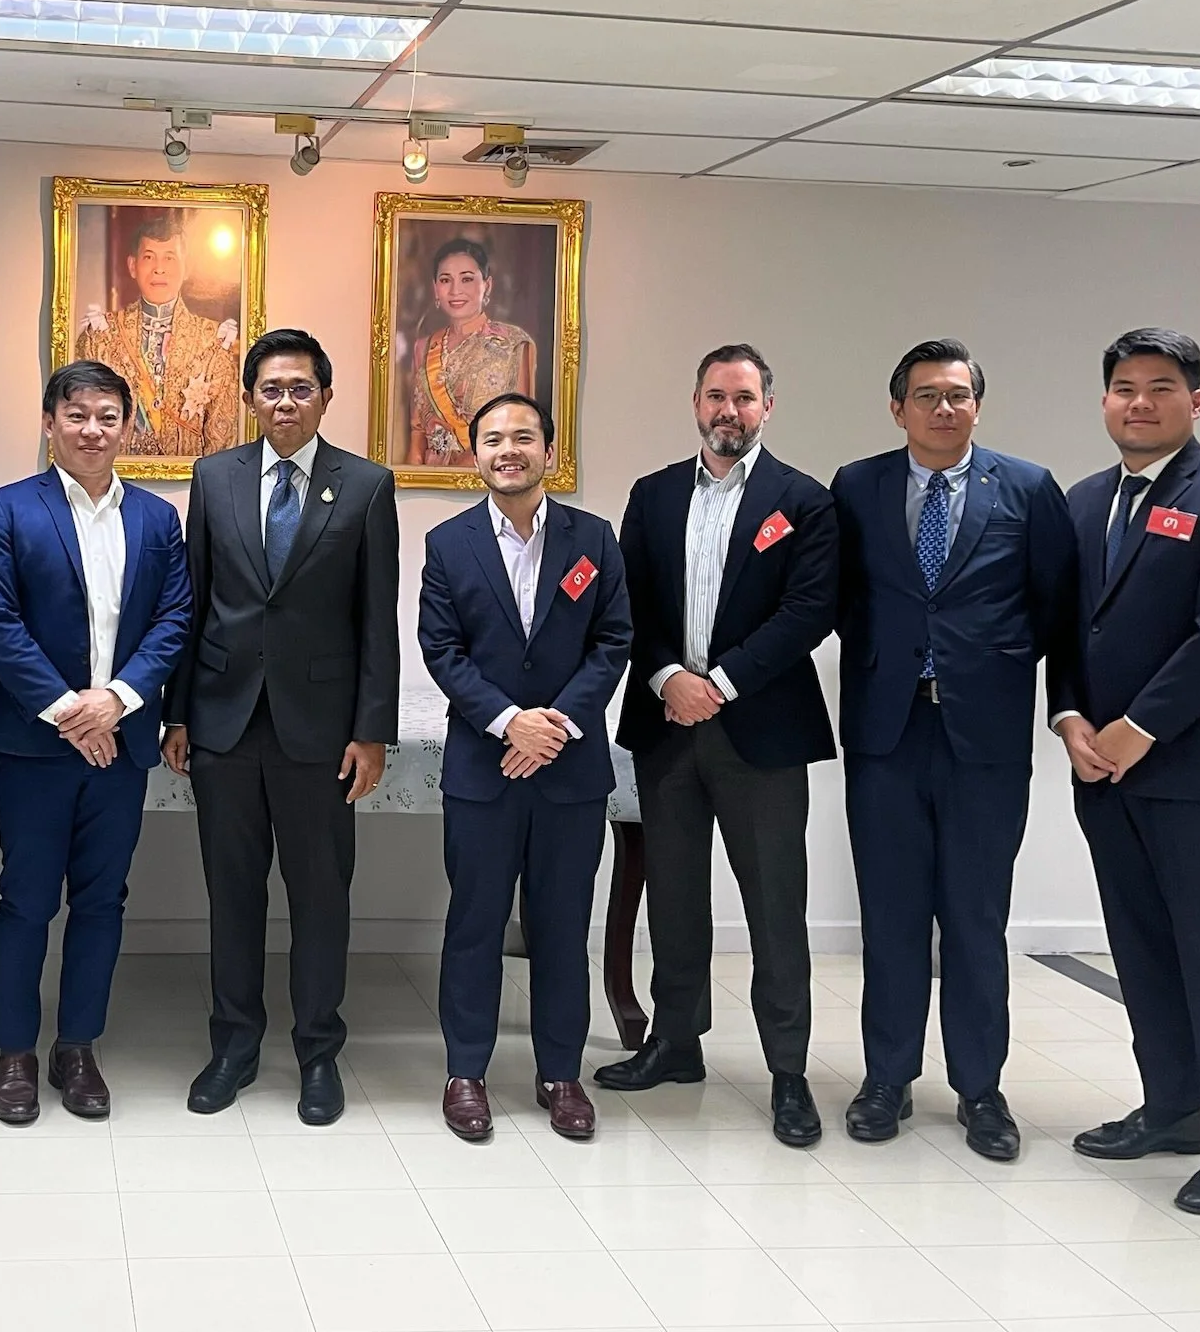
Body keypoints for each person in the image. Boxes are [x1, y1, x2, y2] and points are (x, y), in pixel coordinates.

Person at [1050, 329, 1200, 1215]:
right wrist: (1071, 718)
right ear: (1105, 400)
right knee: (1143, 946)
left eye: (1160, 387)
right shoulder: (1084, 502)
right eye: (1124, 386)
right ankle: (1172, 1108)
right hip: (1104, 772)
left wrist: (1139, 728)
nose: (1140, 402)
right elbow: (1065, 627)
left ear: (1195, 402)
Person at [832, 339, 1073, 1159]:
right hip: (886, 731)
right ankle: (886, 1078)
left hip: (986, 737)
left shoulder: (1029, 488)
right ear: (897, 407)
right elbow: (841, 596)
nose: (944, 407)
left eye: (958, 394)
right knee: (891, 914)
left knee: (976, 917)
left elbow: (1053, 606)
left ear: (978, 405)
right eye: (928, 394)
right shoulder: (857, 485)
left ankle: (980, 1088)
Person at [600, 344, 839, 1148]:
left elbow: (809, 610)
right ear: (695, 403)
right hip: (666, 726)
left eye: (742, 396)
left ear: (767, 404)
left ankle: (788, 1071)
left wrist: (722, 683)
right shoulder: (654, 494)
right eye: (714, 396)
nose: (727, 410)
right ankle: (676, 1042)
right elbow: (629, 601)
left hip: (760, 733)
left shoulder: (802, 500)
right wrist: (669, 675)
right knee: (672, 894)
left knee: (775, 904)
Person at [163, 329, 398, 1126]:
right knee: (232, 894)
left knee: (320, 898)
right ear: (250, 398)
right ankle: (233, 1044)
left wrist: (372, 730)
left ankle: (318, 1052)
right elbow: (194, 600)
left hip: (322, 731)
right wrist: (178, 711)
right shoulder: (214, 476)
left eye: (300, 387)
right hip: (224, 723)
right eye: (271, 388)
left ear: (326, 396)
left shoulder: (366, 485)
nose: (285, 401)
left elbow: (377, 618)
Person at [0, 360, 192, 1125]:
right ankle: (15, 1051)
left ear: (127, 426)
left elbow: (174, 618)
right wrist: (71, 711)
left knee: (101, 900)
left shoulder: (157, 519)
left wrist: (116, 700)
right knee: (26, 898)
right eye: (77, 414)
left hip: (120, 745)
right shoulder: (7, 509)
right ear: (49, 422)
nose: (92, 429)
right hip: (35, 748)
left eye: (107, 416)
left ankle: (78, 1046)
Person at [418, 393, 631, 1142]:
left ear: (549, 449)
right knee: (474, 923)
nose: (508, 449)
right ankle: (466, 1072)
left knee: (563, 925)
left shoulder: (593, 538)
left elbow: (613, 641)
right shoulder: (449, 544)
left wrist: (556, 725)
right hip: (485, 768)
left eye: (523, 436)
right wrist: (512, 721)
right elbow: (443, 650)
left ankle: (561, 1074)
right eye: (493, 438)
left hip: (570, 774)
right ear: (474, 453)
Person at [73, 210, 239, 459]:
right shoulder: (100, 337)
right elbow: (80, 421)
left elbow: (222, 442)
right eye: (149, 257)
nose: (159, 269)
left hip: (190, 479)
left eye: (169, 258)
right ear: (133, 266)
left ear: (186, 268)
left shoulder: (214, 343)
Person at [405, 236, 538, 468]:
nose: (455, 290)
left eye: (467, 279)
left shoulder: (513, 344)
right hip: (432, 476)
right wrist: (412, 478)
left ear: (487, 285)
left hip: (489, 473)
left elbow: (521, 427)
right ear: (435, 288)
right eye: (445, 280)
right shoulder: (424, 347)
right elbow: (417, 433)